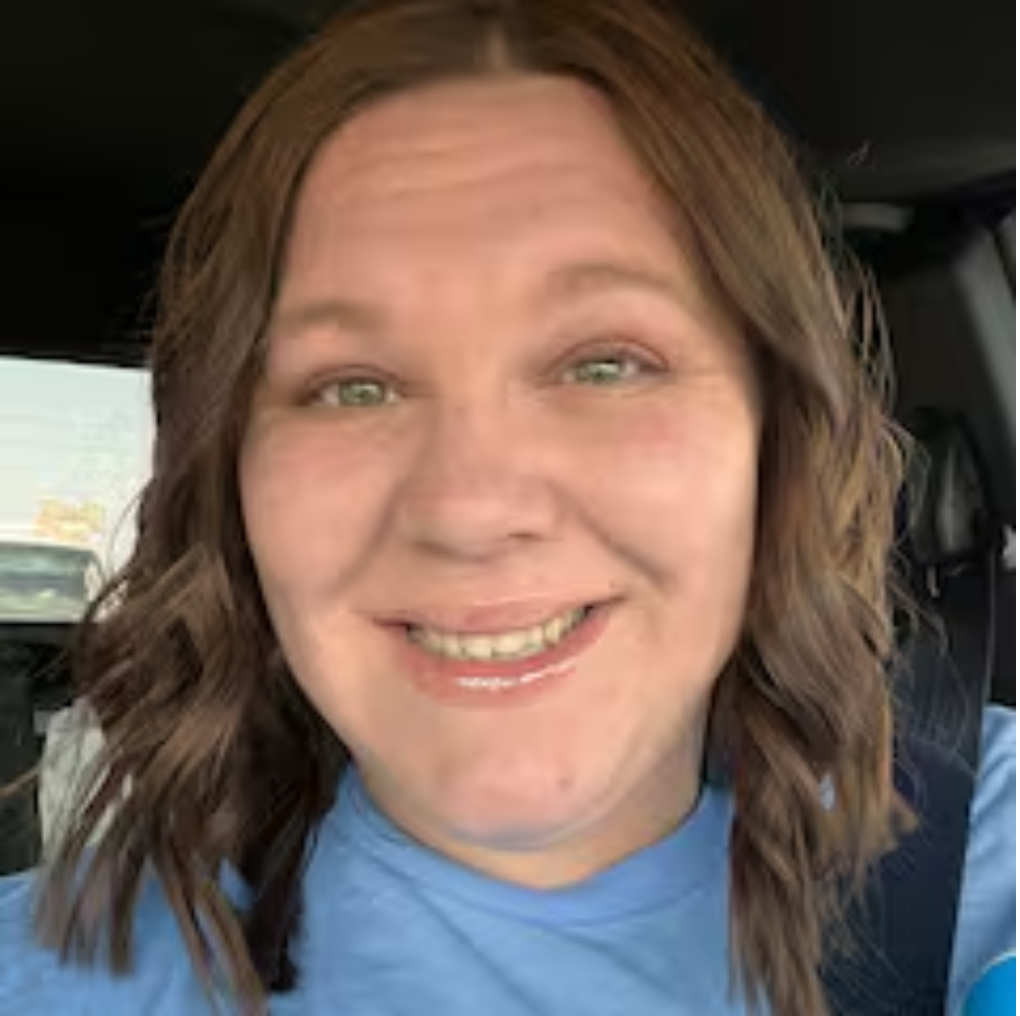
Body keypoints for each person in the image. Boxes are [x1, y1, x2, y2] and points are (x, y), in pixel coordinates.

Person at [0, 0, 1014, 1013]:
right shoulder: (50, 976)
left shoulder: (985, 844)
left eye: (605, 363)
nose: (472, 508)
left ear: (777, 432)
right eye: (354, 385)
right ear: (230, 479)